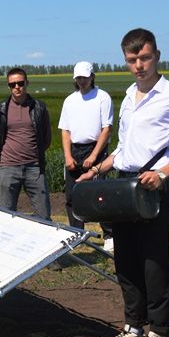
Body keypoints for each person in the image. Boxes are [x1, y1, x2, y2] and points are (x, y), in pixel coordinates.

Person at [76, 28, 169, 337]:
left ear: (157, 56)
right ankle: (134, 327)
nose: (139, 65)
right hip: (124, 184)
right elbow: (122, 150)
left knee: (153, 261)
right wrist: (97, 169)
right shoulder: (128, 97)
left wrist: (164, 173)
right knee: (126, 260)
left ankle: (160, 333)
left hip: (153, 186)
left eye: (145, 58)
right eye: (132, 60)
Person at [59, 61, 114, 249]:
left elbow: (107, 129)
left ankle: (109, 234)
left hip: (96, 148)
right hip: (75, 149)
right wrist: (68, 156)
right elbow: (65, 130)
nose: (82, 81)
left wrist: (94, 155)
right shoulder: (70, 100)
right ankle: (77, 233)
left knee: (99, 194)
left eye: (85, 77)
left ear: (92, 77)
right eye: (78, 78)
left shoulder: (102, 97)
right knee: (72, 195)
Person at [0, 67, 52, 219]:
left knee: (44, 214)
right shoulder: (1, 109)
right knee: (6, 214)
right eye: (12, 84)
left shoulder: (39, 107)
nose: (17, 87)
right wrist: (6, 157)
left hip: (34, 168)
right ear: (9, 86)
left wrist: (36, 156)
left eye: (20, 83)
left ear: (27, 83)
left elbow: (46, 137)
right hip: (9, 167)